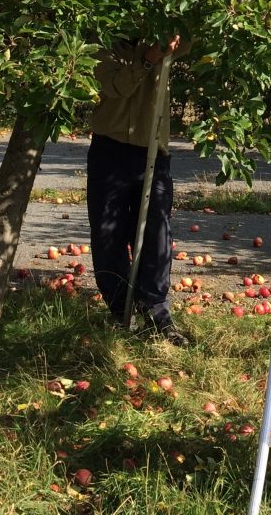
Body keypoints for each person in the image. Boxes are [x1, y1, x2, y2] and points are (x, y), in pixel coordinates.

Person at [86, 35, 189, 346]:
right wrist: (147, 59)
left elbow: (192, 38)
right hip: (110, 148)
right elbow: (116, 86)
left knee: (156, 232)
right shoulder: (103, 45)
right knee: (108, 233)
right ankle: (120, 309)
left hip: (153, 149)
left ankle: (156, 310)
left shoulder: (164, 35)